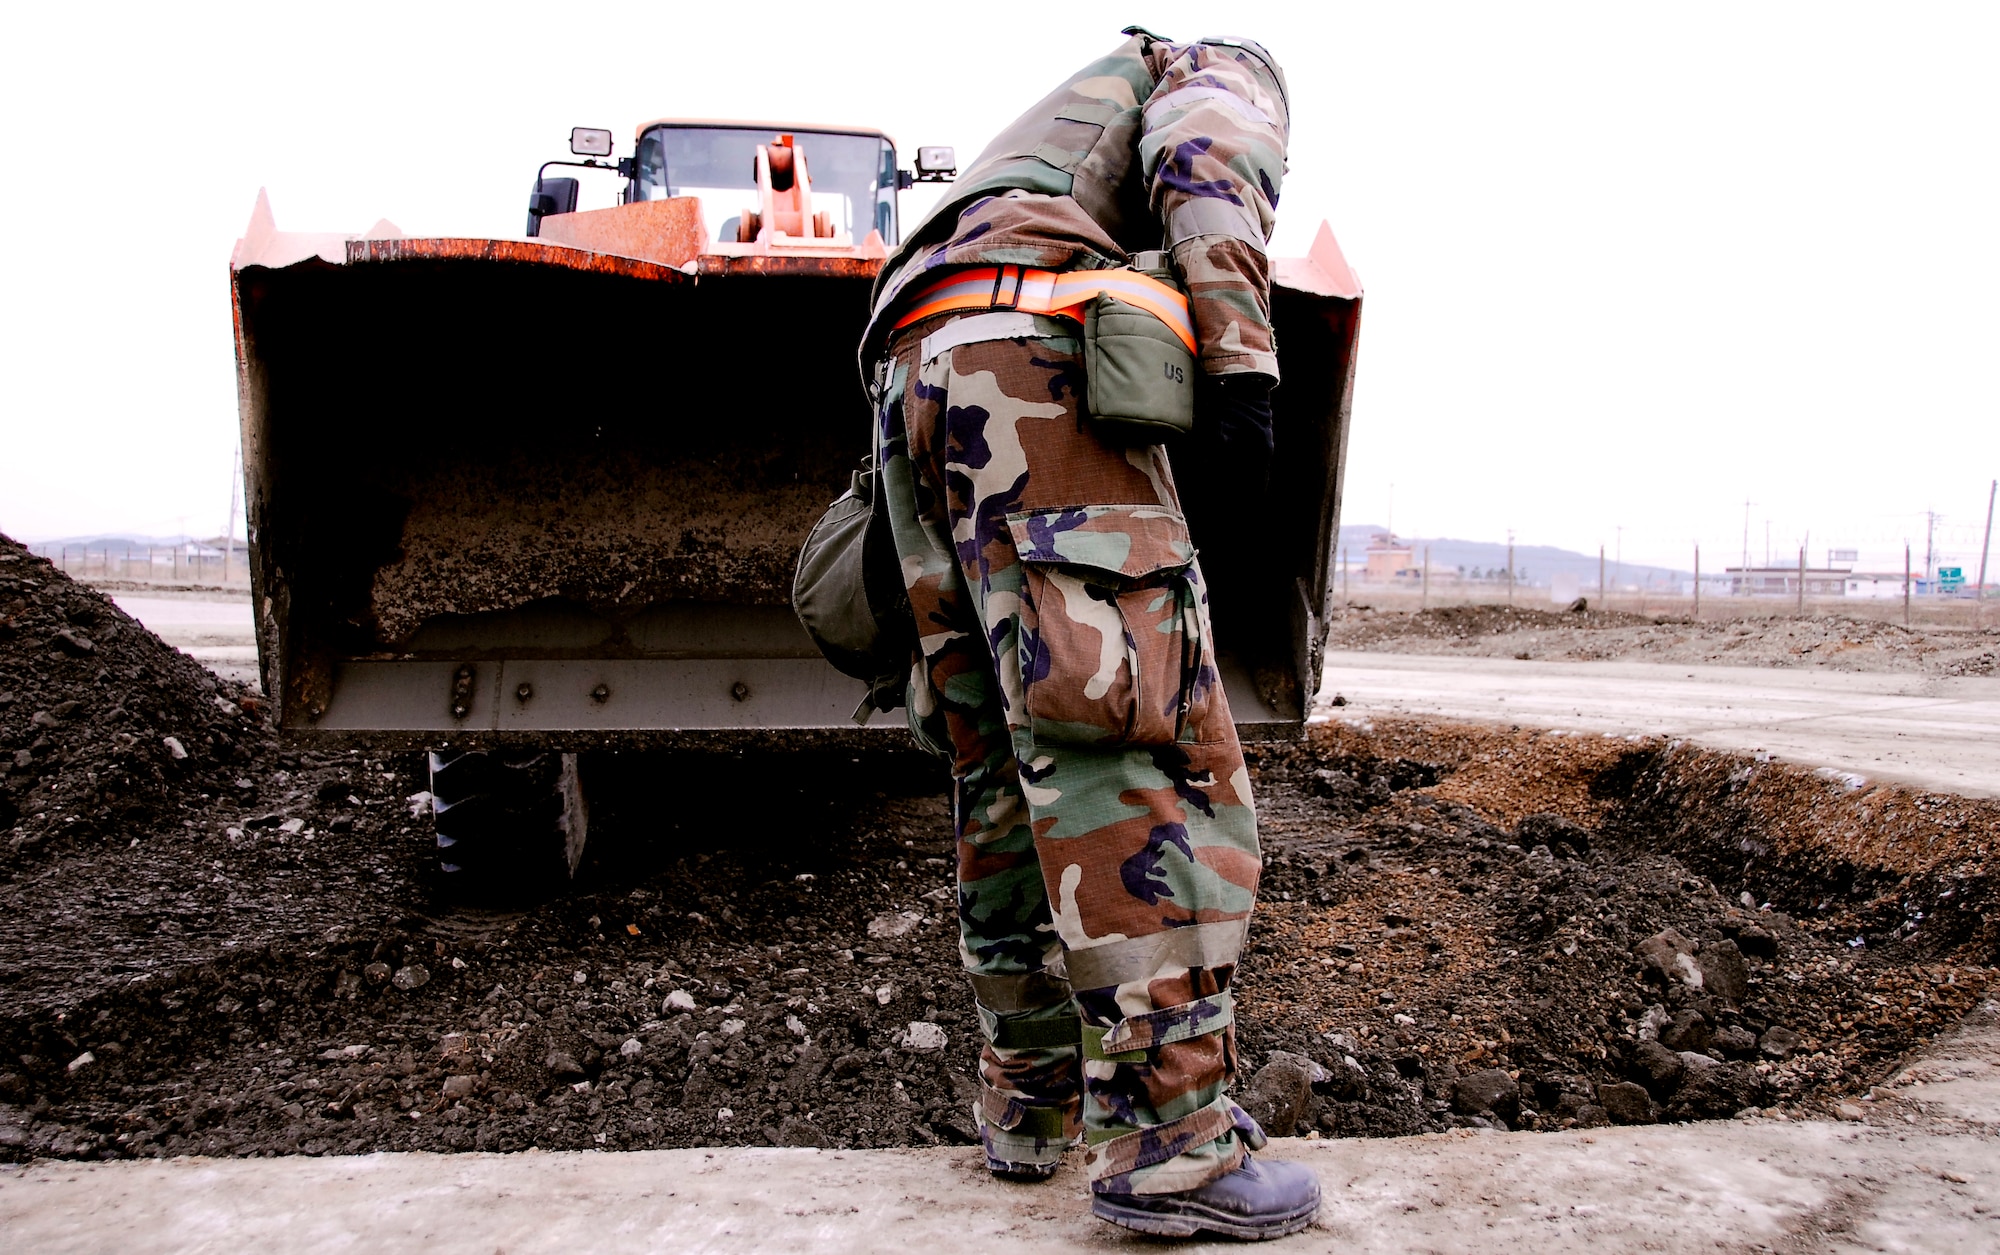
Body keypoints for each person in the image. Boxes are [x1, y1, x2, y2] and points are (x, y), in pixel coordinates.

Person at [856, 26, 1319, 1241]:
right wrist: (1243, 371)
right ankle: (1174, 1146)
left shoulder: (1035, 150)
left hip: (916, 377)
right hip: (1038, 364)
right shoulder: (1213, 66)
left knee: (1004, 766)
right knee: (1135, 743)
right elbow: (1209, 157)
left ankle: (1029, 1107)